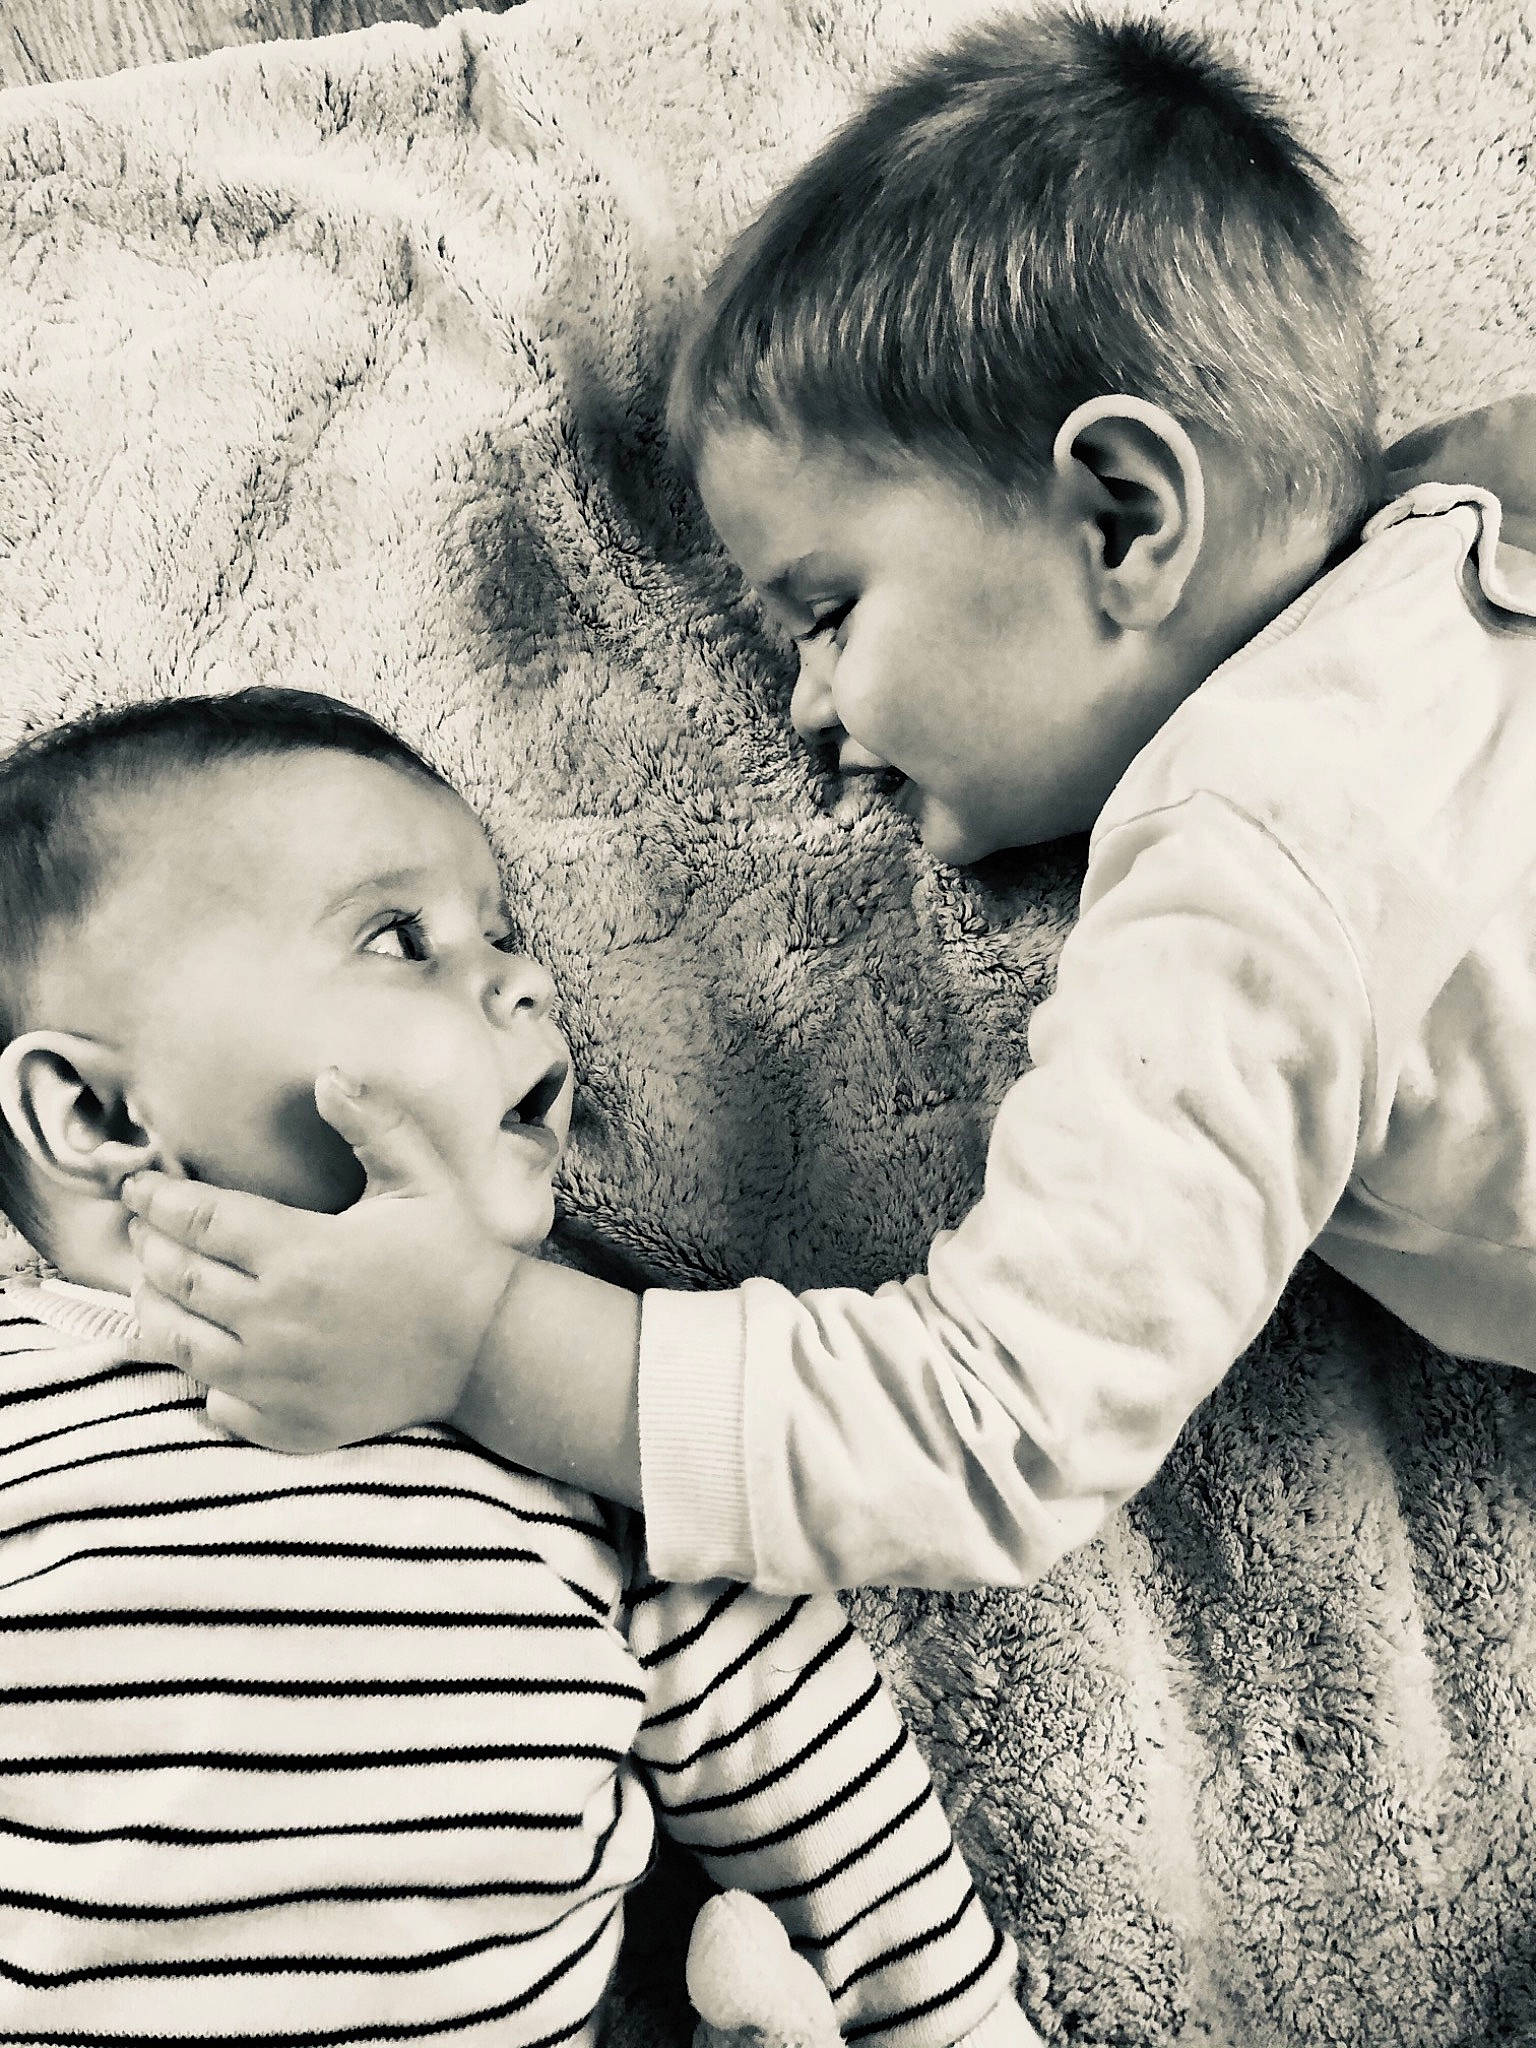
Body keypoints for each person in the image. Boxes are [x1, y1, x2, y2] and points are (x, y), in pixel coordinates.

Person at [120, 10, 1536, 1599]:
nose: (805, 711)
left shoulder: (1251, 878)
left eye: (830, 614)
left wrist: (476, 1336)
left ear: (1125, 520)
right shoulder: (1463, 524)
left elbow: (986, 1425)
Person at [0, 690, 1033, 2044]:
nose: (524, 979)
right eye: (399, 938)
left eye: (506, 932)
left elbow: (823, 1774)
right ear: (100, 1115)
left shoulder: (571, 1397)